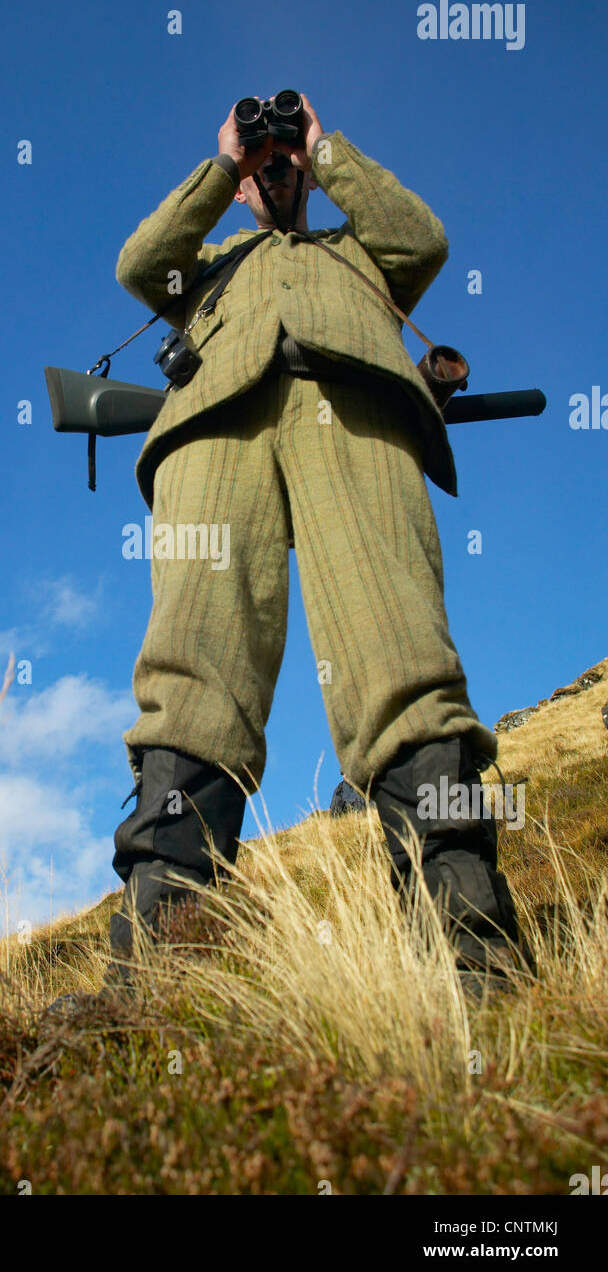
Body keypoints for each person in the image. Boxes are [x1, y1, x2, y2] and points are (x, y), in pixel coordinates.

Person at [82, 93, 530, 1008]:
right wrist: (224, 168)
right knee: (194, 668)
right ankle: (162, 972)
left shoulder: (359, 255)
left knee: (399, 653)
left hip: (355, 414)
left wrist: (326, 153)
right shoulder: (206, 265)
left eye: (282, 147)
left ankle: (469, 950)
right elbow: (141, 263)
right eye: (267, 154)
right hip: (215, 430)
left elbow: (423, 239)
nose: (275, 160)